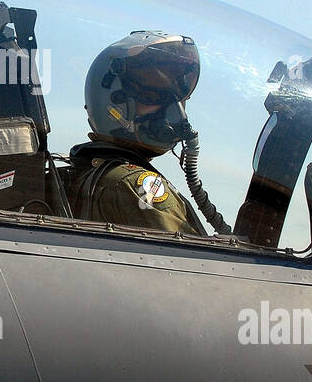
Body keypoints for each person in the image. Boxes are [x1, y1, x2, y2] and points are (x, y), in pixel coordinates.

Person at [61, 31, 231, 236]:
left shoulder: (87, 171)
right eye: (154, 93)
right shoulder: (138, 187)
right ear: (114, 104)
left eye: (178, 97)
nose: (176, 110)